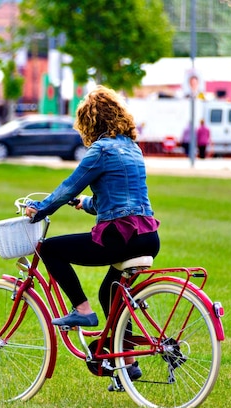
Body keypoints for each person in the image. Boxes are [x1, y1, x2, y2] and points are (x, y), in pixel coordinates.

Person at [24, 85, 160, 329]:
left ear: (89, 122)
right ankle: (127, 362)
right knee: (110, 294)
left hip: (120, 237)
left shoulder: (101, 150)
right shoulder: (133, 149)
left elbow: (68, 187)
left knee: (49, 249)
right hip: (148, 236)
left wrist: (39, 209)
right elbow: (117, 200)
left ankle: (82, 311)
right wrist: (84, 203)